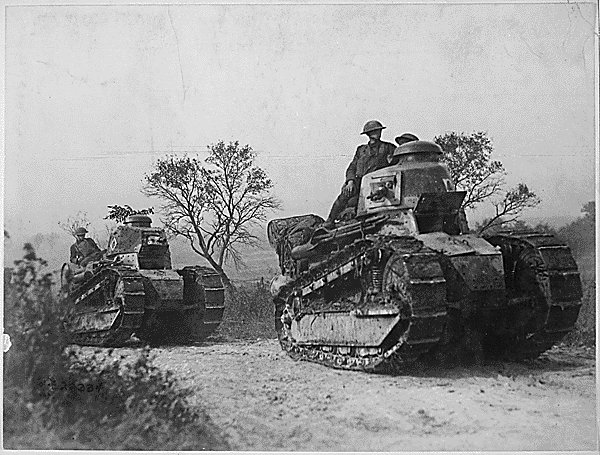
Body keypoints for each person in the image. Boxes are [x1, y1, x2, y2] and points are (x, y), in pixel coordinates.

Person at [323, 120, 397, 227]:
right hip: (359, 181)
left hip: (377, 181)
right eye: (374, 131)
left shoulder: (388, 147)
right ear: (368, 134)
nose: (377, 133)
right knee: (344, 196)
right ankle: (330, 220)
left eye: (378, 131)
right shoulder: (361, 150)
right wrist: (350, 181)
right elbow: (352, 167)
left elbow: (395, 164)